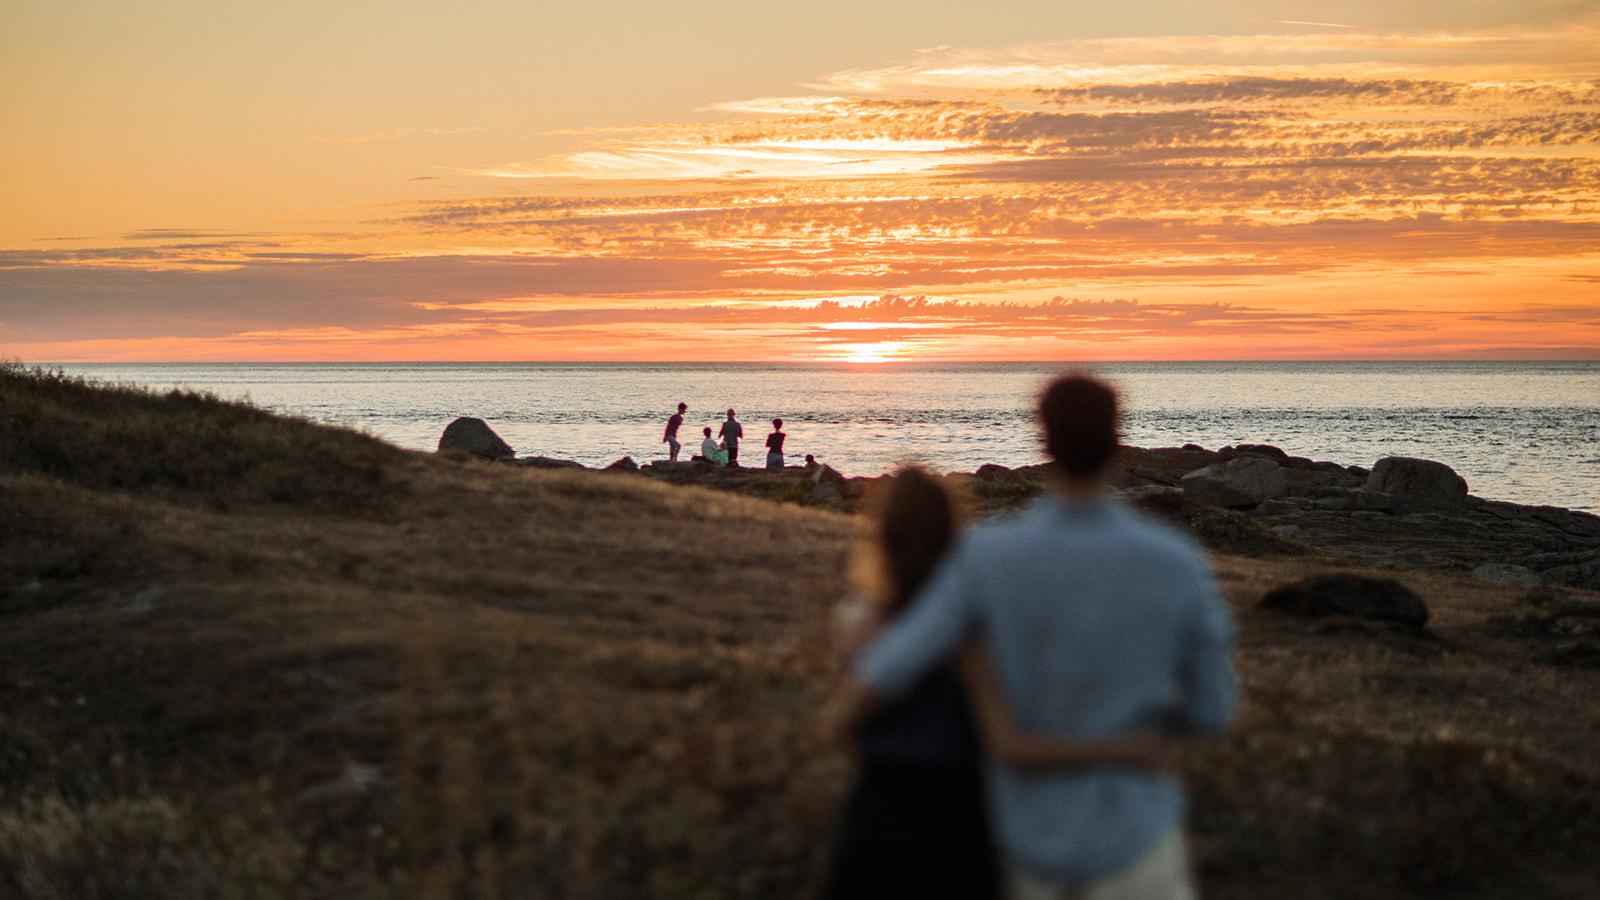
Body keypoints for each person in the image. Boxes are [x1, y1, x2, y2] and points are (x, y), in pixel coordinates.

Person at [842, 374, 1238, 900]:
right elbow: (1213, 709)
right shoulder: (1174, 561)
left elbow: (890, 667)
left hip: (1026, 836)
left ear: (1043, 441)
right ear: (1118, 439)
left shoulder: (985, 557)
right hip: (1136, 831)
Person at [826, 467, 1169, 899]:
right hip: (958, 822)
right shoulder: (972, 637)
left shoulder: (860, 624)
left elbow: (844, 724)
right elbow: (1011, 745)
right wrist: (1124, 748)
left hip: (873, 818)